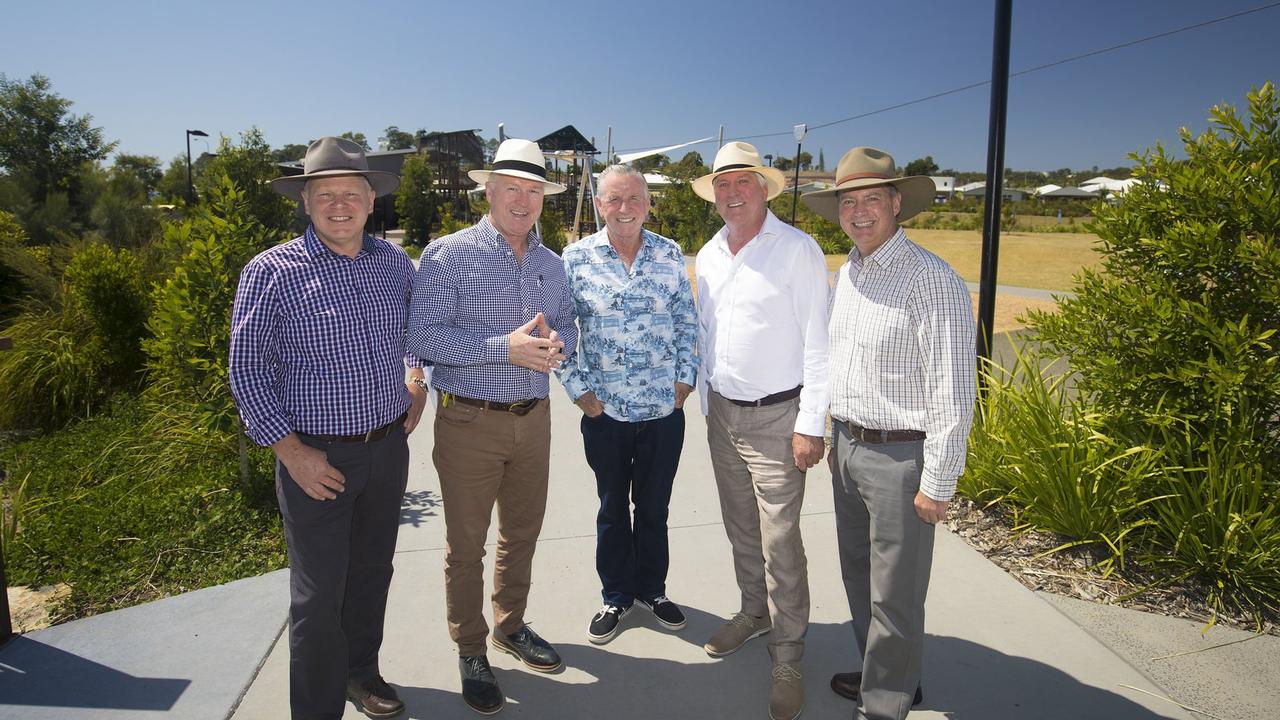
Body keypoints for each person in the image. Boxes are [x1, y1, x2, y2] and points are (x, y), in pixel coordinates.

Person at [229, 136, 428, 720]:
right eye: (324, 195)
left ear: (371, 202)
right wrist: (291, 453)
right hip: (314, 458)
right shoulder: (272, 271)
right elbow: (246, 370)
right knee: (317, 597)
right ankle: (315, 709)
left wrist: (416, 381)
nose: (338, 205)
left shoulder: (395, 265)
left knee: (372, 573)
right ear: (306, 202)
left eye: (350, 194)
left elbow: (416, 334)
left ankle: (360, 674)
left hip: (388, 448)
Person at [802, 147, 976, 720]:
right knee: (858, 576)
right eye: (847, 202)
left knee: (895, 594)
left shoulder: (933, 281)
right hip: (847, 448)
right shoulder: (847, 273)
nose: (858, 212)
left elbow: (954, 391)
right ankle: (892, 675)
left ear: (897, 204)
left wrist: (939, 480)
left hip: (901, 458)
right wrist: (830, 437)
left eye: (871, 199)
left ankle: (883, 706)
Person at [406, 138, 577, 716]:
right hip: (469, 422)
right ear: (489, 190)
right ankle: (471, 648)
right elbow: (423, 338)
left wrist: (558, 344)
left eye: (534, 190)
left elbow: (569, 325)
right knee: (466, 548)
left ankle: (511, 624)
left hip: (535, 421)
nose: (524, 200)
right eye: (513, 188)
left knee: (522, 534)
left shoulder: (553, 265)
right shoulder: (448, 254)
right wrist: (502, 349)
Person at [692, 141, 829, 720]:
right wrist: (705, 404)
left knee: (780, 541)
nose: (732, 193)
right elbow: (707, 335)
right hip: (722, 415)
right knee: (741, 527)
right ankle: (754, 611)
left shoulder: (798, 250)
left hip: (780, 418)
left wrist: (810, 424)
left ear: (765, 189)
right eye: (723, 184)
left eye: (743, 182)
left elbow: (820, 343)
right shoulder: (710, 253)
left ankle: (789, 649)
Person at [556, 164, 698, 645]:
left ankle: (652, 591)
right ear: (599, 205)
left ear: (647, 203)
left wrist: (685, 379)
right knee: (613, 509)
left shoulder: (669, 253)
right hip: (607, 414)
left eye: (634, 198)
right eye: (614, 199)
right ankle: (616, 595)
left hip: (662, 412)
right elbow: (555, 331)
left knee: (654, 507)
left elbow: (686, 321)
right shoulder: (574, 259)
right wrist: (579, 390)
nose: (624, 208)